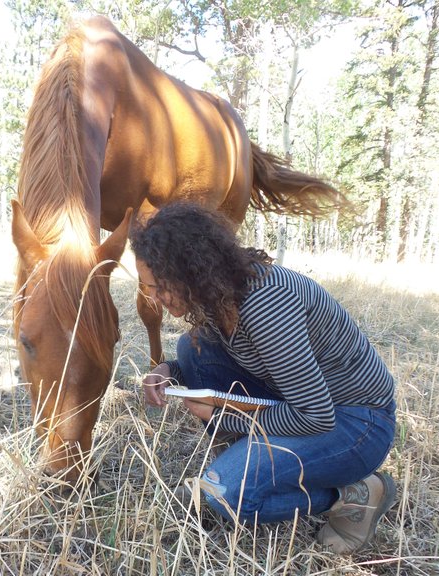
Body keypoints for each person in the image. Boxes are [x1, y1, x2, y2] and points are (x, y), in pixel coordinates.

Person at [130, 202, 397, 554]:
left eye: (158, 286)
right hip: (300, 401)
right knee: (190, 349)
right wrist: (169, 371)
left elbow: (315, 416)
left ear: (190, 271)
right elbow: (221, 360)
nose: (152, 297)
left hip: (357, 423)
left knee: (225, 493)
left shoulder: (266, 306)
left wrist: (223, 416)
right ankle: (253, 460)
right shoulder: (219, 290)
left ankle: (352, 494)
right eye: (146, 286)